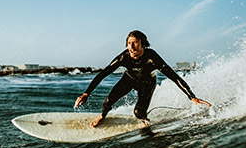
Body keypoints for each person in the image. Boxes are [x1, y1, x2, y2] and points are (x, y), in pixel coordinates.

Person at [74, 30, 211, 127]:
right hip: (129, 79)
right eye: (129, 43)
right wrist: (87, 93)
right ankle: (102, 117)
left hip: (148, 83)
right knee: (109, 101)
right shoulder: (123, 57)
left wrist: (192, 97)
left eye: (135, 43)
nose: (131, 47)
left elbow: (174, 77)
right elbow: (103, 73)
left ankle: (144, 119)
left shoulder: (152, 58)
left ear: (143, 43)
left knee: (138, 113)